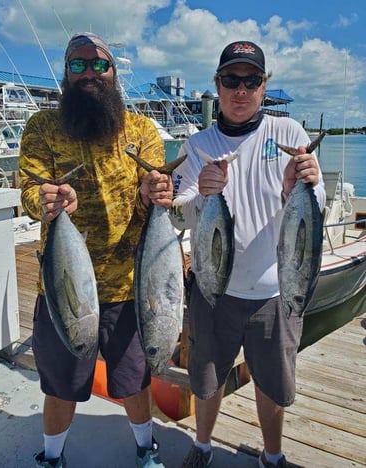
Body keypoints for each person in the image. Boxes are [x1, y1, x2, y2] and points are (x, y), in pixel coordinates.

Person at [19, 32, 173, 468]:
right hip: (64, 286)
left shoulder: (141, 128)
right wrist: (45, 200)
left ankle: (146, 449)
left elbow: (157, 188)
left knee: (134, 381)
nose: (89, 72)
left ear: (114, 72)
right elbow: (28, 190)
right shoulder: (41, 127)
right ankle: (52, 456)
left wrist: (155, 190)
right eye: (78, 65)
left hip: (129, 284)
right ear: (66, 74)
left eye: (99, 64)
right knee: (60, 385)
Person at [171, 41, 326, 468]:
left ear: (264, 85)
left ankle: (272, 456)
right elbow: (179, 217)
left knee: (272, 385)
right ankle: (202, 447)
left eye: (251, 80)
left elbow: (316, 207)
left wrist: (307, 183)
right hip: (211, 289)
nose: (241, 90)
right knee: (206, 379)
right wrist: (200, 196)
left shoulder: (290, 134)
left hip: (275, 291)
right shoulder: (197, 142)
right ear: (217, 85)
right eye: (231, 80)